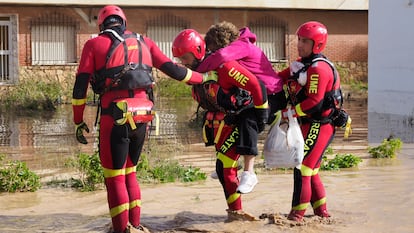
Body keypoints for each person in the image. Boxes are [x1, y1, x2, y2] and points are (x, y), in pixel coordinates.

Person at [72, 5, 212, 233]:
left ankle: (121, 230)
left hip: (114, 118)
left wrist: (78, 121)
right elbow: (177, 72)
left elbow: (80, 89)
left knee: (114, 178)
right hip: (142, 117)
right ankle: (135, 226)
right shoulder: (144, 41)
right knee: (130, 173)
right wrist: (205, 77)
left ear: (102, 25)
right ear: (124, 22)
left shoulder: (93, 44)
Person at [172, 29, 268, 221]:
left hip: (237, 120)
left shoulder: (225, 67)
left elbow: (256, 86)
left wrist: (261, 115)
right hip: (219, 124)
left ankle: (237, 215)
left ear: (198, 50)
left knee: (226, 169)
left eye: (185, 57)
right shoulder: (197, 71)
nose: (183, 62)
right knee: (221, 169)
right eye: (180, 58)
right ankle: (235, 214)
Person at [200, 21, 287, 194]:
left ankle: (249, 172)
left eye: (211, 49)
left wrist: (196, 70)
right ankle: (228, 163)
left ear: (219, 43)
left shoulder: (242, 45)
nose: (210, 53)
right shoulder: (239, 46)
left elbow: (220, 58)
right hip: (255, 95)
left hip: (272, 95)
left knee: (248, 119)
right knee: (232, 116)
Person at [278, 21, 341, 221]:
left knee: (302, 168)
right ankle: (322, 213)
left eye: (305, 41)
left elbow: (314, 102)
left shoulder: (318, 69)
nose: (299, 44)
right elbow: (278, 78)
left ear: (318, 44)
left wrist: (290, 113)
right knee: (311, 170)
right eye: (299, 40)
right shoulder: (300, 65)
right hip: (308, 124)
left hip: (321, 125)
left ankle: (296, 216)